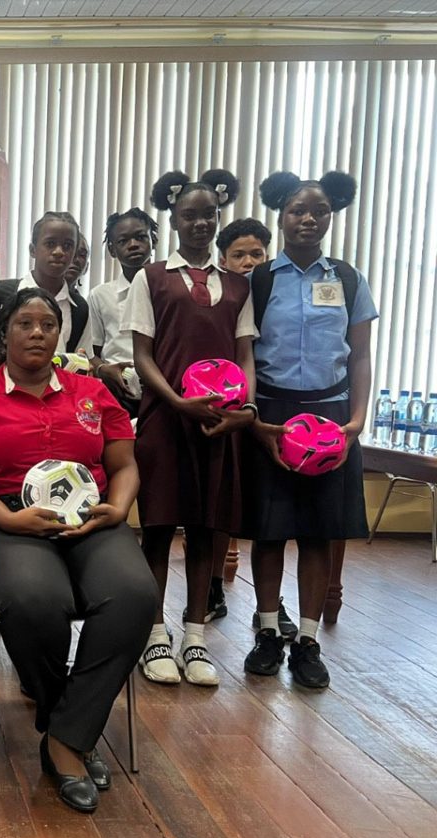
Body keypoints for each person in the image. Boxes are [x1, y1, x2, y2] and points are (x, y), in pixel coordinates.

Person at [0, 287, 158, 814]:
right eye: (25, 323)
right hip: (5, 519)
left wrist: (118, 508)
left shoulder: (92, 393)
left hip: (93, 517)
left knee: (134, 596)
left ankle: (64, 734)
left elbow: (124, 465)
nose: (37, 332)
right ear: (5, 332)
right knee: (36, 599)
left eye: (48, 324)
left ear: (61, 334)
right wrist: (8, 517)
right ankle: (70, 730)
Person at [241, 171, 376, 690]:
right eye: (298, 209)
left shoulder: (346, 278)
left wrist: (357, 422)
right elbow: (244, 354)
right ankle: (269, 632)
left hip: (331, 416)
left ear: (331, 216)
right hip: (273, 413)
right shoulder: (260, 280)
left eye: (319, 210)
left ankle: (309, 641)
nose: (308, 218)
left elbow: (360, 355)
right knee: (270, 531)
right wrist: (253, 416)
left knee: (320, 532)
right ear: (281, 213)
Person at [124, 169, 257, 687]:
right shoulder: (152, 278)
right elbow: (142, 353)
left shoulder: (240, 285)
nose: (200, 223)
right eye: (189, 215)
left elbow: (245, 354)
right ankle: (154, 633)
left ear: (218, 217)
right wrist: (178, 400)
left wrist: (238, 405)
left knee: (208, 527)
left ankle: (196, 635)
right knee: (158, 527)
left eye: (208, 215)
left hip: (220, 425)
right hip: (167, 417)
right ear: (173, 219)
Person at [209, 216, 298, 634]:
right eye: (239, 255)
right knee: (219, 504)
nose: (248, 262)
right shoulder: (215, 295)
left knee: (268, 513)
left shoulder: (275, 292)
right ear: (223, 259)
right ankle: (210, 585)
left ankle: (271, 602)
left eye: (257, 254)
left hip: (268, 410)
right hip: (225, 410)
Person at [0, 212, 90, 375]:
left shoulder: (79, 308)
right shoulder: (1, 293)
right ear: (32, 250)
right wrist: (13, 363)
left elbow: (85, 360)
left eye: (67, 246)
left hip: (58, 397)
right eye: (50, 243)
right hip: (6, 395)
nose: (59, 252)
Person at [85, 208, 157, 417]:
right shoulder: (100, 295)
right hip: (117, 392)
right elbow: (92, 353)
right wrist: (103, 370)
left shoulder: (171, 289)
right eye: (123, 240)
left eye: (141, 237)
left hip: (164, 392)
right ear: (112, 250)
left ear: (153, 240)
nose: (133, 244)